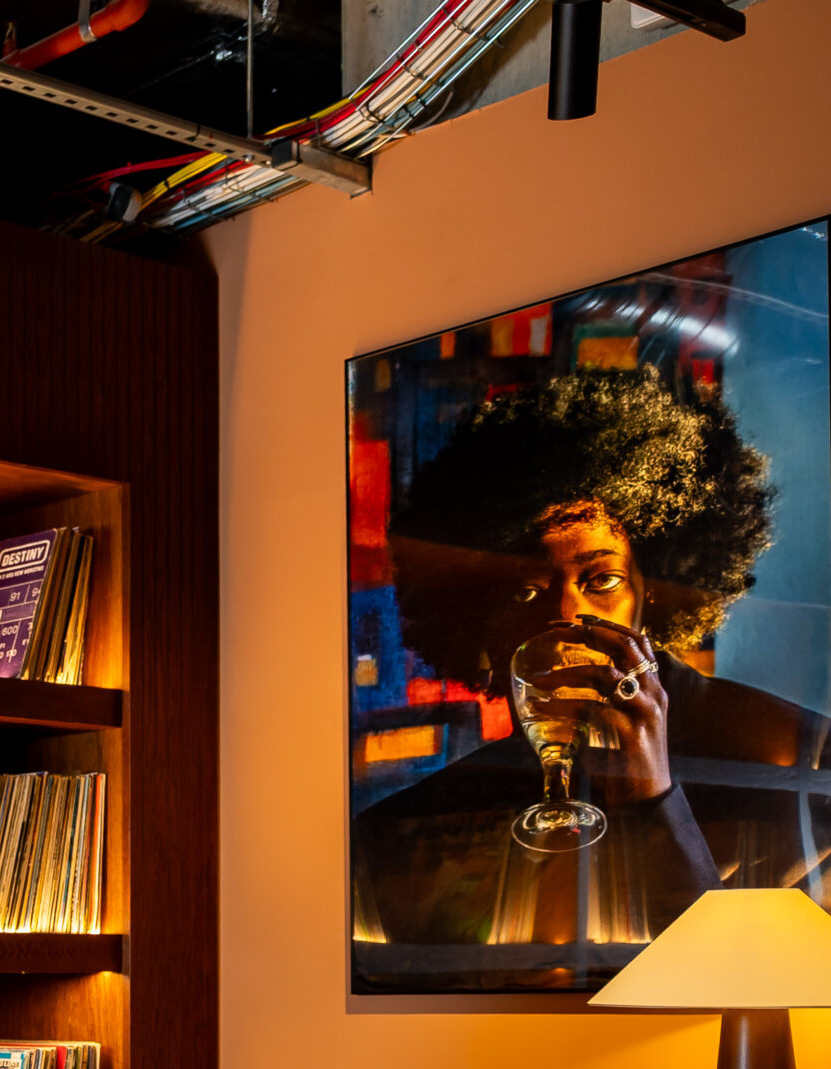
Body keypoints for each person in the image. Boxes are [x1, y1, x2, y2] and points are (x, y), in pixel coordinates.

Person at [353, 367, 828, 978]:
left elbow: (747, 992)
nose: (565, 614)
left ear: (651, 589)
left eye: (600, 580)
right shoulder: (402, 835)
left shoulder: (799, 764)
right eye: (525, 591)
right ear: (482, 618)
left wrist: (652, 795)